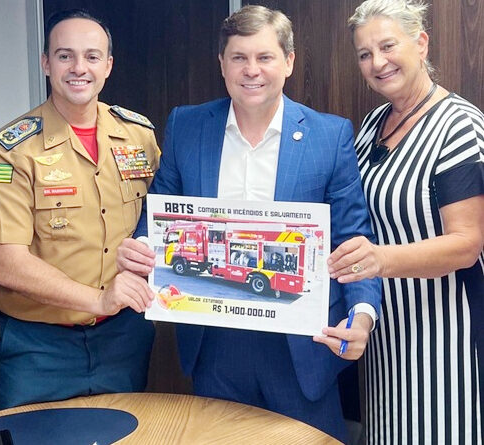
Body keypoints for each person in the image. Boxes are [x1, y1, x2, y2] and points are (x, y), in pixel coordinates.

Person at [116, 5, 381, 441]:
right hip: (215, 342)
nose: (251, 70)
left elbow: (353, 237)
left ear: (289, 62)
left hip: (302, 347)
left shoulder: (329, 136)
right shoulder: (187, 125)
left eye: (265, 57)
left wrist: (364, 314)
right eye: (239, 58)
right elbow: (157, 216)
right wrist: (141, 244)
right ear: (222, 65)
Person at [0, 9, 160, 409]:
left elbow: (168, 221)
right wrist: (98, 300)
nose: (80, 68)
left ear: (108, 66)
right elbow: (8, 265)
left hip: (124, 336)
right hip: (40, 346)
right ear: (45, 63)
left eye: (92, 57)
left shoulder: (139, 135)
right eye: (65, 56)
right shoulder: (11, 150)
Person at [328, 1, 484, 443]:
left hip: (445, 336)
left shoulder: (458, 125)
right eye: (364, 54)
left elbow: (466, 243)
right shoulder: (373, 122)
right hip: (384, 333)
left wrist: (379, 259)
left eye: (387, 46)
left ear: (421, 43)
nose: (377, 62)